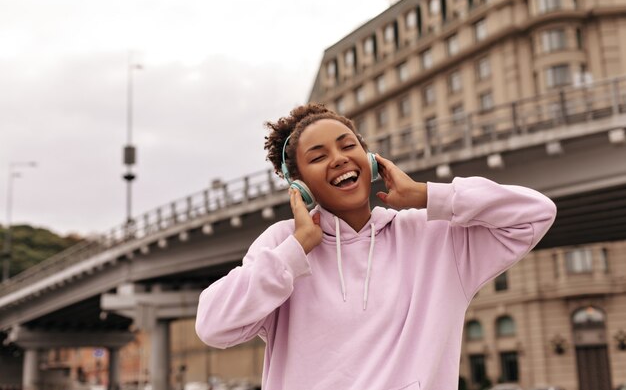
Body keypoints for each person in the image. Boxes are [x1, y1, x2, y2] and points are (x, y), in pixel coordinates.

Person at [195, 103, 557, 390]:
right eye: (318, 156)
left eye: (348, 145)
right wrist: (297, 248)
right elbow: (213, 326)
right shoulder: (283, 245)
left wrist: (427, 195)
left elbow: (535, 214)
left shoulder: (435, 236)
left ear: (370, 160)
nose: (338, 158)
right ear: (299, 185)